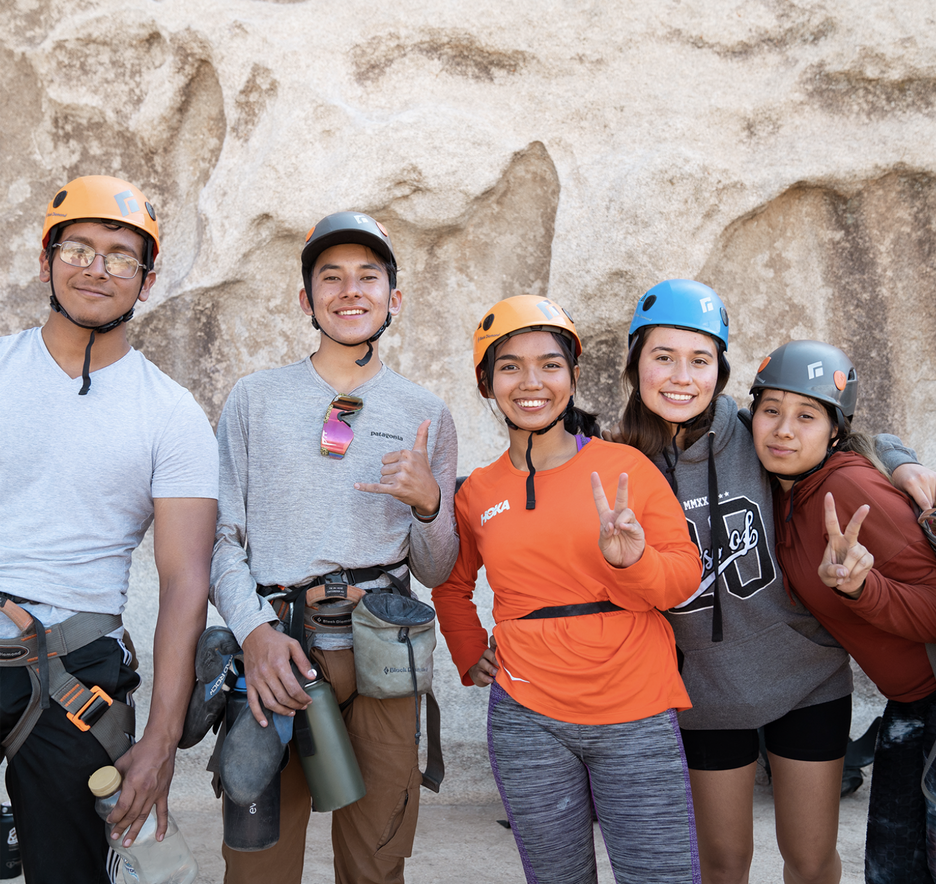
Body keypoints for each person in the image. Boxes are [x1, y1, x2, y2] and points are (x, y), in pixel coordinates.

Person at [613, 279, 936, 884]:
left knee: (811, 862)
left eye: (700, 360)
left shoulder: (751, 433)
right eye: (663, 357)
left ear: (721, 371)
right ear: (634, 363)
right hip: (703, 692)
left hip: (804, 678)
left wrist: (899, 457)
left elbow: (830, 435)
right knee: (724, 864)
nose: (681, 376)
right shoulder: (616, 461)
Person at [209, 211, 459, 884]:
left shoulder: (424, 412)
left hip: (385, 654)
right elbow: (219, 538)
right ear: (305, 299)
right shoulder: (253, 401)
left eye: (368, 277)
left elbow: (437, 568)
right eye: (331, 277)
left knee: (377, 863)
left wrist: (431, 504)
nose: (351, 291)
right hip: (277, 650)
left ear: (394, 299)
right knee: (257, 867)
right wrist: (254, 633)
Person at [433, 295, 703, 884]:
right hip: (527, 714)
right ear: (487, 384)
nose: (532, 382)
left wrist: (633, 563)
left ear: (574, 377)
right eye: (510, 366)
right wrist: (466, 648)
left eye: (550, 364)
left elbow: (682, 577)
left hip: (635, 704)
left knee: (661, 875)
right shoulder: (477, 490)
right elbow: (452, 586)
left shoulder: (625, 466)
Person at [0, 175, 218, 883]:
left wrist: (160, 740)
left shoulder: (171, 413)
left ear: (147, 281)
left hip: (74, 671)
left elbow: (186, 580)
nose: (97, 268)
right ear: (45, 261)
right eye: (79, 248)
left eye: (121, 256)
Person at [750, 339, 936, 884]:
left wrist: (861, 590)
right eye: (770, 410)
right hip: (912, 708)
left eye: (806, 415)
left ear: (835, 431)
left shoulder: (847, 485)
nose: (783, 430)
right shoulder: (786, 488)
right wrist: (897, 453)